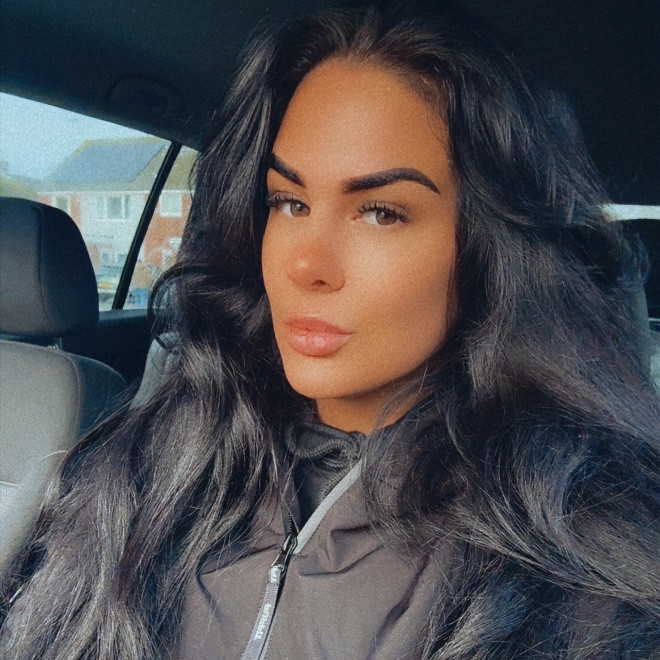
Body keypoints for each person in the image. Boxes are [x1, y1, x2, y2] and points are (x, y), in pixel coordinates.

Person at [1, 6, 658, 659]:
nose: (304, 265)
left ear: (490, 250)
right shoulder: (146, 465)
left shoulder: (580, 574)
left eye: (380, 213)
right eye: (289, 202)